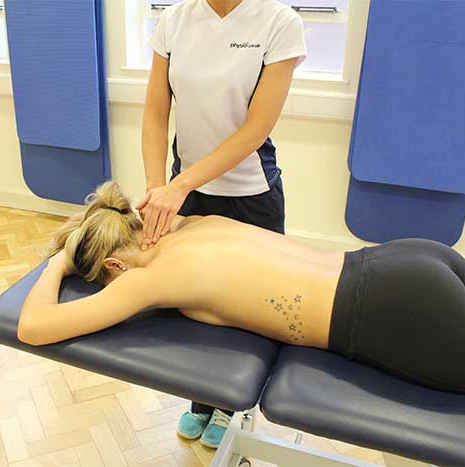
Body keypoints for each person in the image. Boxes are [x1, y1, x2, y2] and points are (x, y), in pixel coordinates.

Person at [17, 182, 465, 407]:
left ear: (113, 265)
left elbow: (33, 327)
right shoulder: (194, 223)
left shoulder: (147, 277)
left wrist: (59, 264)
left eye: (108, 280)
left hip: (393, 315)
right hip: (402, 259)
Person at [138, 0, 307, 445]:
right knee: (193, 308)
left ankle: (232, 406)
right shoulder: (173, 20)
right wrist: (159, 187)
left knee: (245, 311)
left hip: (251, 194)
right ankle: (200, 398)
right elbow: (156, 112)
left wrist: (178, 186)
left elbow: (256, 129)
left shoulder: (279, 21)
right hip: (187, 192)